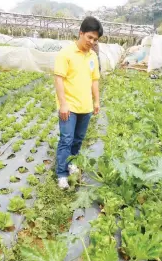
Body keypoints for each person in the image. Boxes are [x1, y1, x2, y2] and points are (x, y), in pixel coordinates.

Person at [54, 16, 103, 189]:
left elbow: (94, 80)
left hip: (86, 106)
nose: (92, 41)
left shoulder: (93, 57)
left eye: (95, 39)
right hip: (69, 106)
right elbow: (58, 79)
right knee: (66, 139)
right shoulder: (66, 53)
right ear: (80, 33)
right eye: (89, 37)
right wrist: (63, 104)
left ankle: (71, 163)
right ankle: (61, 174)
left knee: (78, 139)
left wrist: (96, 101)